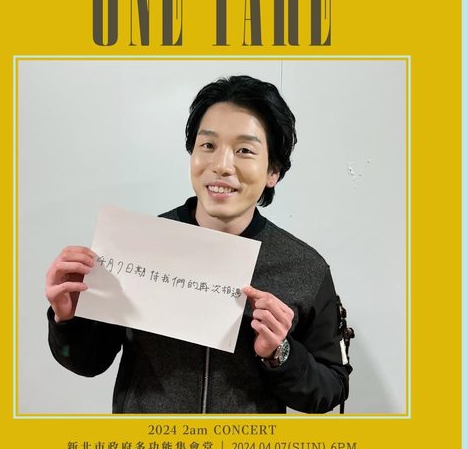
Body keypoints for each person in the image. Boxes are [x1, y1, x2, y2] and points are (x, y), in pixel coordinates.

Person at [46, 75, 351, 414]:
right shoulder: (139, 246)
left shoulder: (304, 268)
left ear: (273, 171)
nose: (221, 165)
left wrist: (281, 354)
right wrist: (68, 319)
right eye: (208, 145)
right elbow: (87, 362)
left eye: (244, 150)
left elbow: (332, 388)